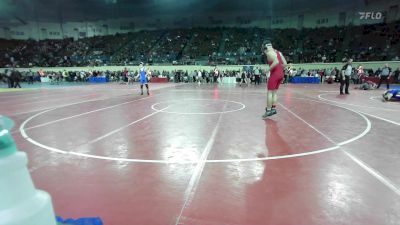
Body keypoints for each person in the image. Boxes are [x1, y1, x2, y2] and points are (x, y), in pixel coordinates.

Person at [262, 40, 287, 118]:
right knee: (274, 93)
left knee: (269, 92)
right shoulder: (279, 52)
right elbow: (285, 64)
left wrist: (268, 70)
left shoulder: (269, 53)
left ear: (265, 46)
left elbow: (276, 62)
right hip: (281, 74)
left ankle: (268, 110)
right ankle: (273, 109)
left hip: (275, 75)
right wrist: (279, 69)